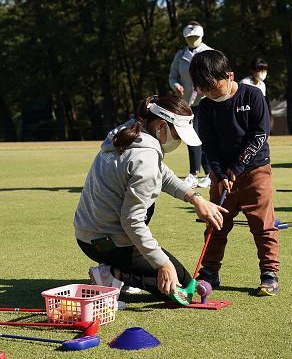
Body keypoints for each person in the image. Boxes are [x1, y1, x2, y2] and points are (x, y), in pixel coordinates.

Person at [74, 95, 227, 301]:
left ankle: (117, 270)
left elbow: (162, 174)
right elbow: (132, 220)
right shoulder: (144, 156)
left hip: (87, 237)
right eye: (178, 135)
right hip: (109, 242)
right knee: (184, 292)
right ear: (161, 125)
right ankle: (113, 275)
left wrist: (196, 198)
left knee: (177, 279)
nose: (180, 142)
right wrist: (162, 263)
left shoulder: (130, 132)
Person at [189, 50, 280, 296]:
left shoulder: (253, 95)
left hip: (255, 170)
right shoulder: (206, 107)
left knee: (263, 226)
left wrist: (236, 168)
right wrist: (219, 174)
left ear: (229, 75)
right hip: (223, 176)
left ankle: (269, 274)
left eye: (213, 87)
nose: (209, 94)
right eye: (204, 89)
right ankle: (209, 272)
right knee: (216, 224)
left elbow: (260, 134)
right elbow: (208, 145)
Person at [169, 21, 213, 188]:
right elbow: (173, 76)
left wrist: (206, 87)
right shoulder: (180, 55)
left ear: (201, 36)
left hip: (206, 101)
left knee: (197, 136)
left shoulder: (209, 53)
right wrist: (175, 86)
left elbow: (216, 75)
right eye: (190, 37)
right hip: (187, 103)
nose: (193, 40)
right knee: (193, 137)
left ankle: (196, 173)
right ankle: (207, 173)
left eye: (195, 37)